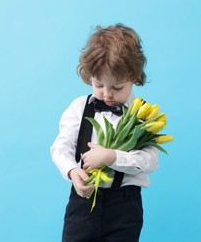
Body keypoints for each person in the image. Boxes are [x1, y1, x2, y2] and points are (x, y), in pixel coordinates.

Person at [50, 23, 159, 242]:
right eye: (98, 84)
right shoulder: (79, 108)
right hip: (83, 203)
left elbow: (150, 162)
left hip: (124, 208)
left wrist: (112, 157)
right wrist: (72, 171)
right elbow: (60, 148)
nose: (107, 95)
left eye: (117, 87)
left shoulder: (143, 114)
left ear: (133, 77)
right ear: (89, 76)